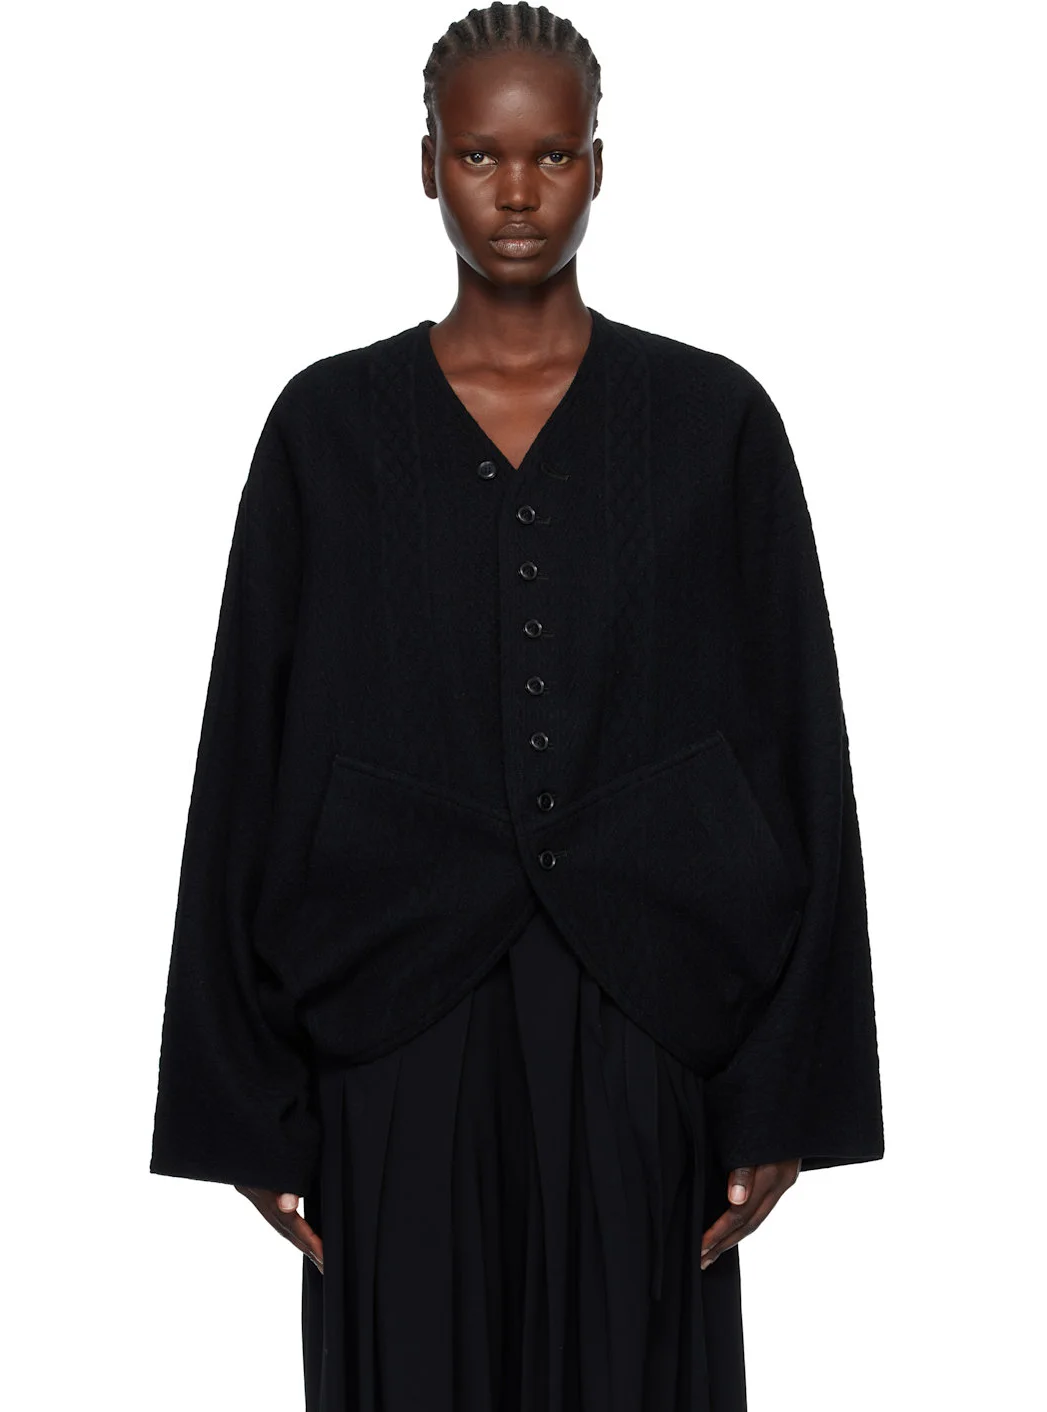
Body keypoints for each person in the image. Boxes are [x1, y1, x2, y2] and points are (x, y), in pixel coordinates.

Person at [149, 4, 885, 1409]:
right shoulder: (324, 431)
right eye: (480, 155)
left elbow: (801, 747)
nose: (518, 193)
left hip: (649, 1024)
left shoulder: (714, 423)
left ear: (600, 164)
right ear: (425, 162)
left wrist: (785, 1090)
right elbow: (243, 752)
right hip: (386, 1025)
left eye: (552, 155)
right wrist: (246, 1101)